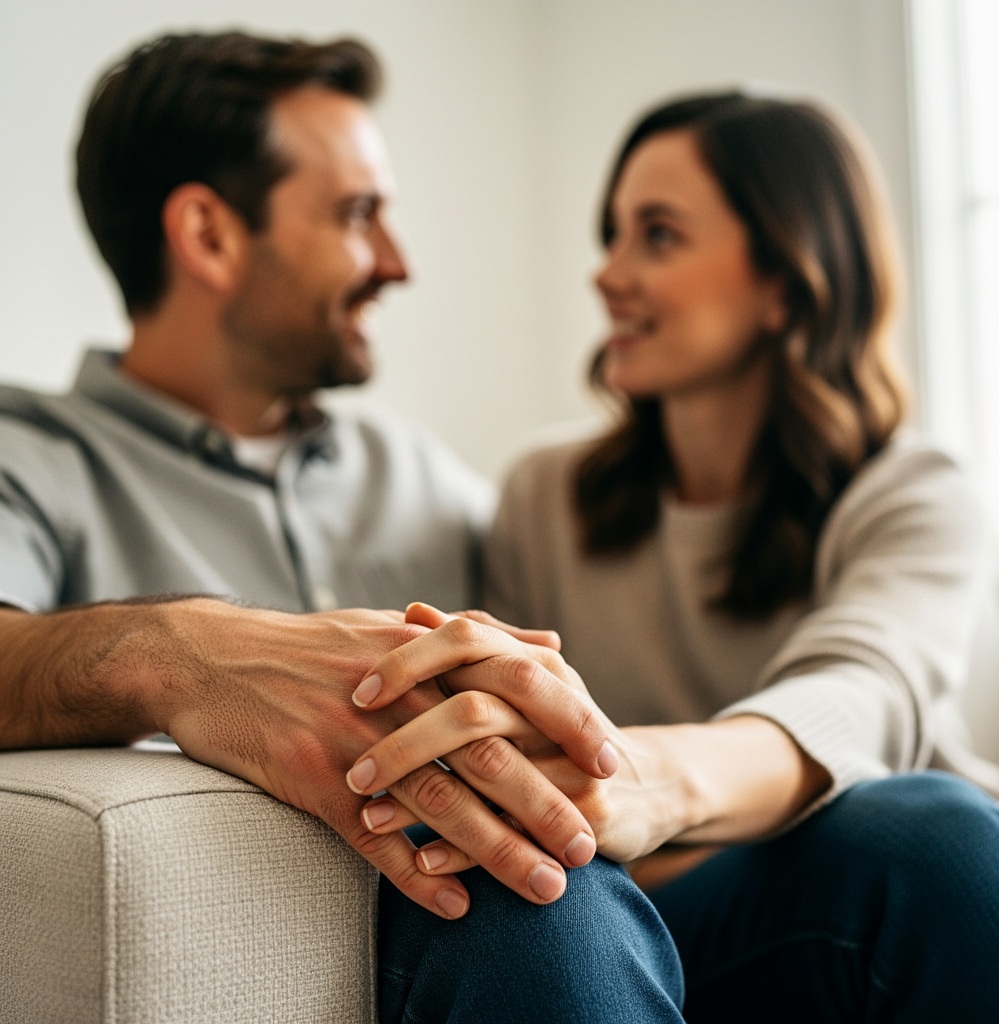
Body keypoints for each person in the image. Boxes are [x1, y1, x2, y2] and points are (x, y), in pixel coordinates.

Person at [0, 31, 692, 1024]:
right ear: (208, 235)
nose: (398, 263)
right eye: (359, 215)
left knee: (930, 844)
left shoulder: (421, 474)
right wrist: (179, 653)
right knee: (541, 900)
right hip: (500, 930)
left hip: (608, 906)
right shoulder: (25, 452)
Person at [346, 92, 999, 1021]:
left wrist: (649, 784)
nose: (609, 275)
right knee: (532, 899)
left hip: (865, 895)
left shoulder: (914, 489)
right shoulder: (545, 497)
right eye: (611, 235)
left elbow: (863, 697)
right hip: (641, 913)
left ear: (787, 280)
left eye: (657, 236)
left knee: (940, 839)